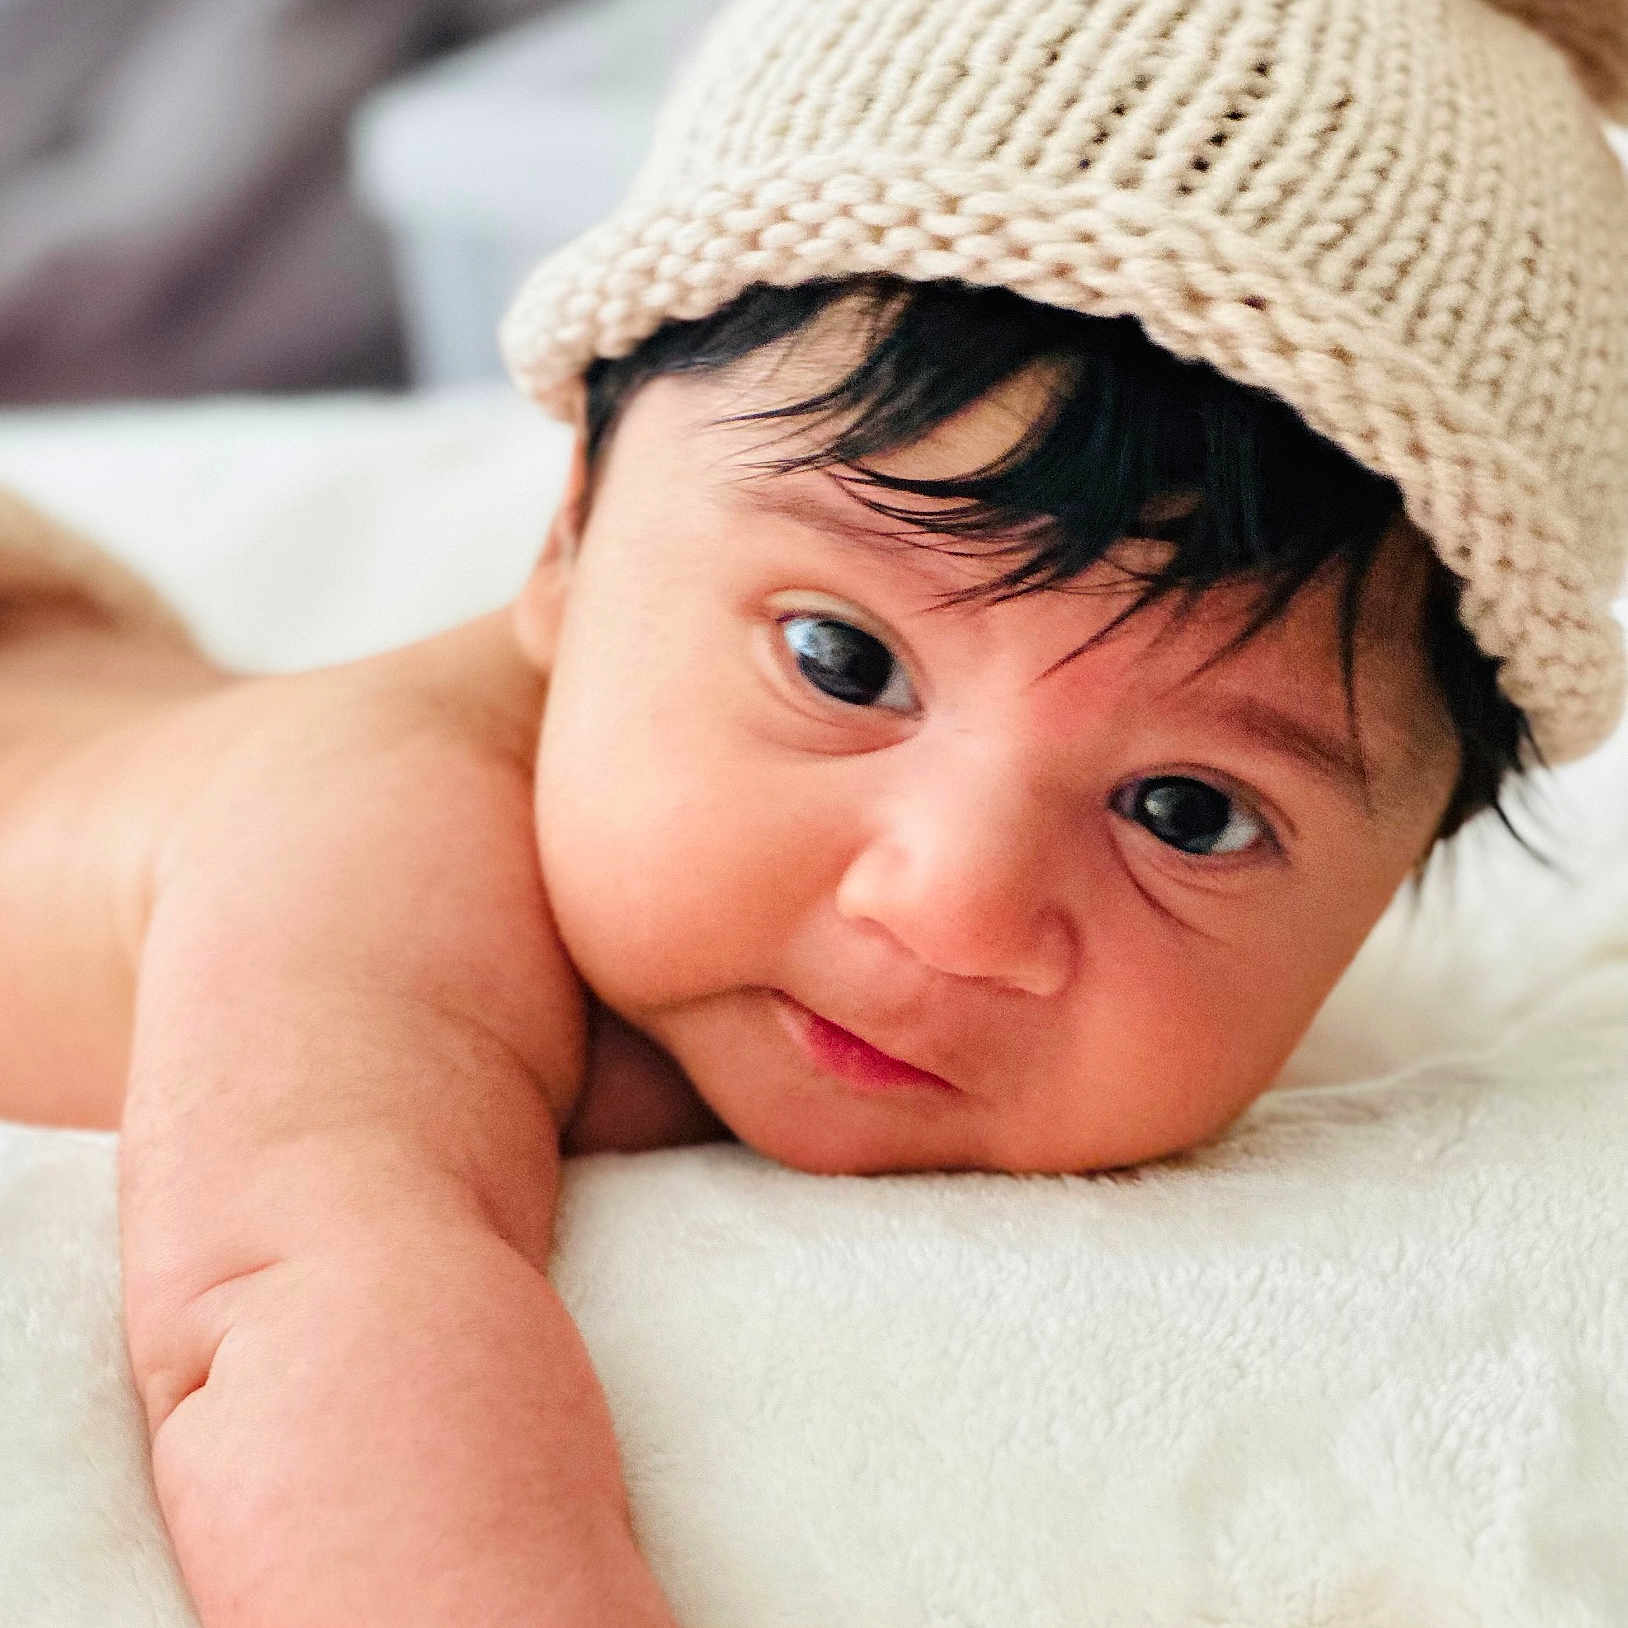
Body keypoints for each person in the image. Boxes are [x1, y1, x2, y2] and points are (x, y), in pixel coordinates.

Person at [1, 0, 1624, 1622]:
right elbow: (304, 1312)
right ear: (567, 537)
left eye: (1186, 812)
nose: (953, 908)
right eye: (845, 662)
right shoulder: (372, 847)